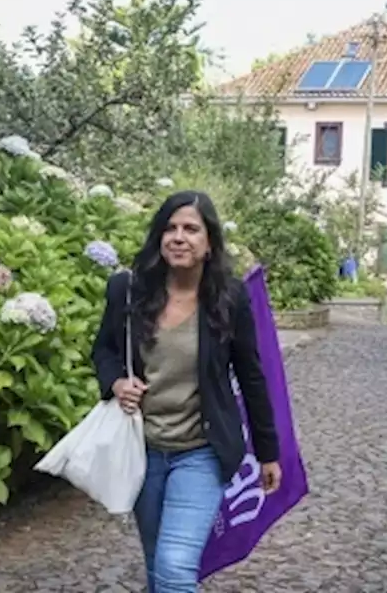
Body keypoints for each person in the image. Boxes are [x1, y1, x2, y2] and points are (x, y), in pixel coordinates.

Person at [91, 190, 281, 593]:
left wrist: (268, 452)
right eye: (170, 228)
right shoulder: (127, 291)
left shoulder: (229, 299)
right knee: (157, 560)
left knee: (175, 564)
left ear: (209, 243)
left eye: (191, 229)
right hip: (142, 449)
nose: (179, 237)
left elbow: (251, 375)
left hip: (201, 451)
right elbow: (104, 351)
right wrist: (117, 383)